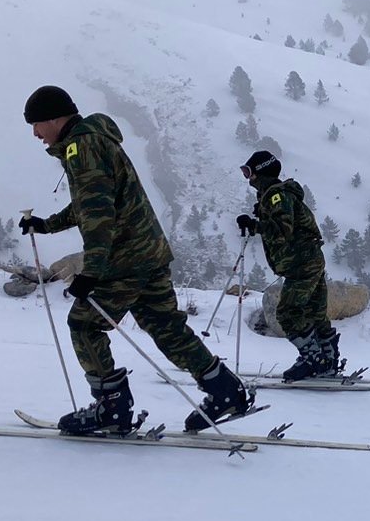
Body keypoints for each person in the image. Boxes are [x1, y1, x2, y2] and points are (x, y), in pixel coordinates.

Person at [18, 85, 252, 434]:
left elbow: (98, 212)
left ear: (54, 118)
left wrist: (92, 271)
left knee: (84, 325)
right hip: (149, 252)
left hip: (125, 258)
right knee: (166, 328)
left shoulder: (81, 147)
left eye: (36, 124)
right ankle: (225, 390)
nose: (35, 134)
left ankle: (112, 407)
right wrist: (47, 225)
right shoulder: (96, 140)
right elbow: (93, 203)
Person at [235, 149, 340, 381]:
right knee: (314, 312)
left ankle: (313, 360)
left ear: (261, 172)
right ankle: (327, 360)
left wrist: (256, 225)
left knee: (288, 313)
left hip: (301, 263)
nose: (248, 178)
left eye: (249, 172)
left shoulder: (277, 197)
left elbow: (283, 230)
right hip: (309, 259)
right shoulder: (278, 196)